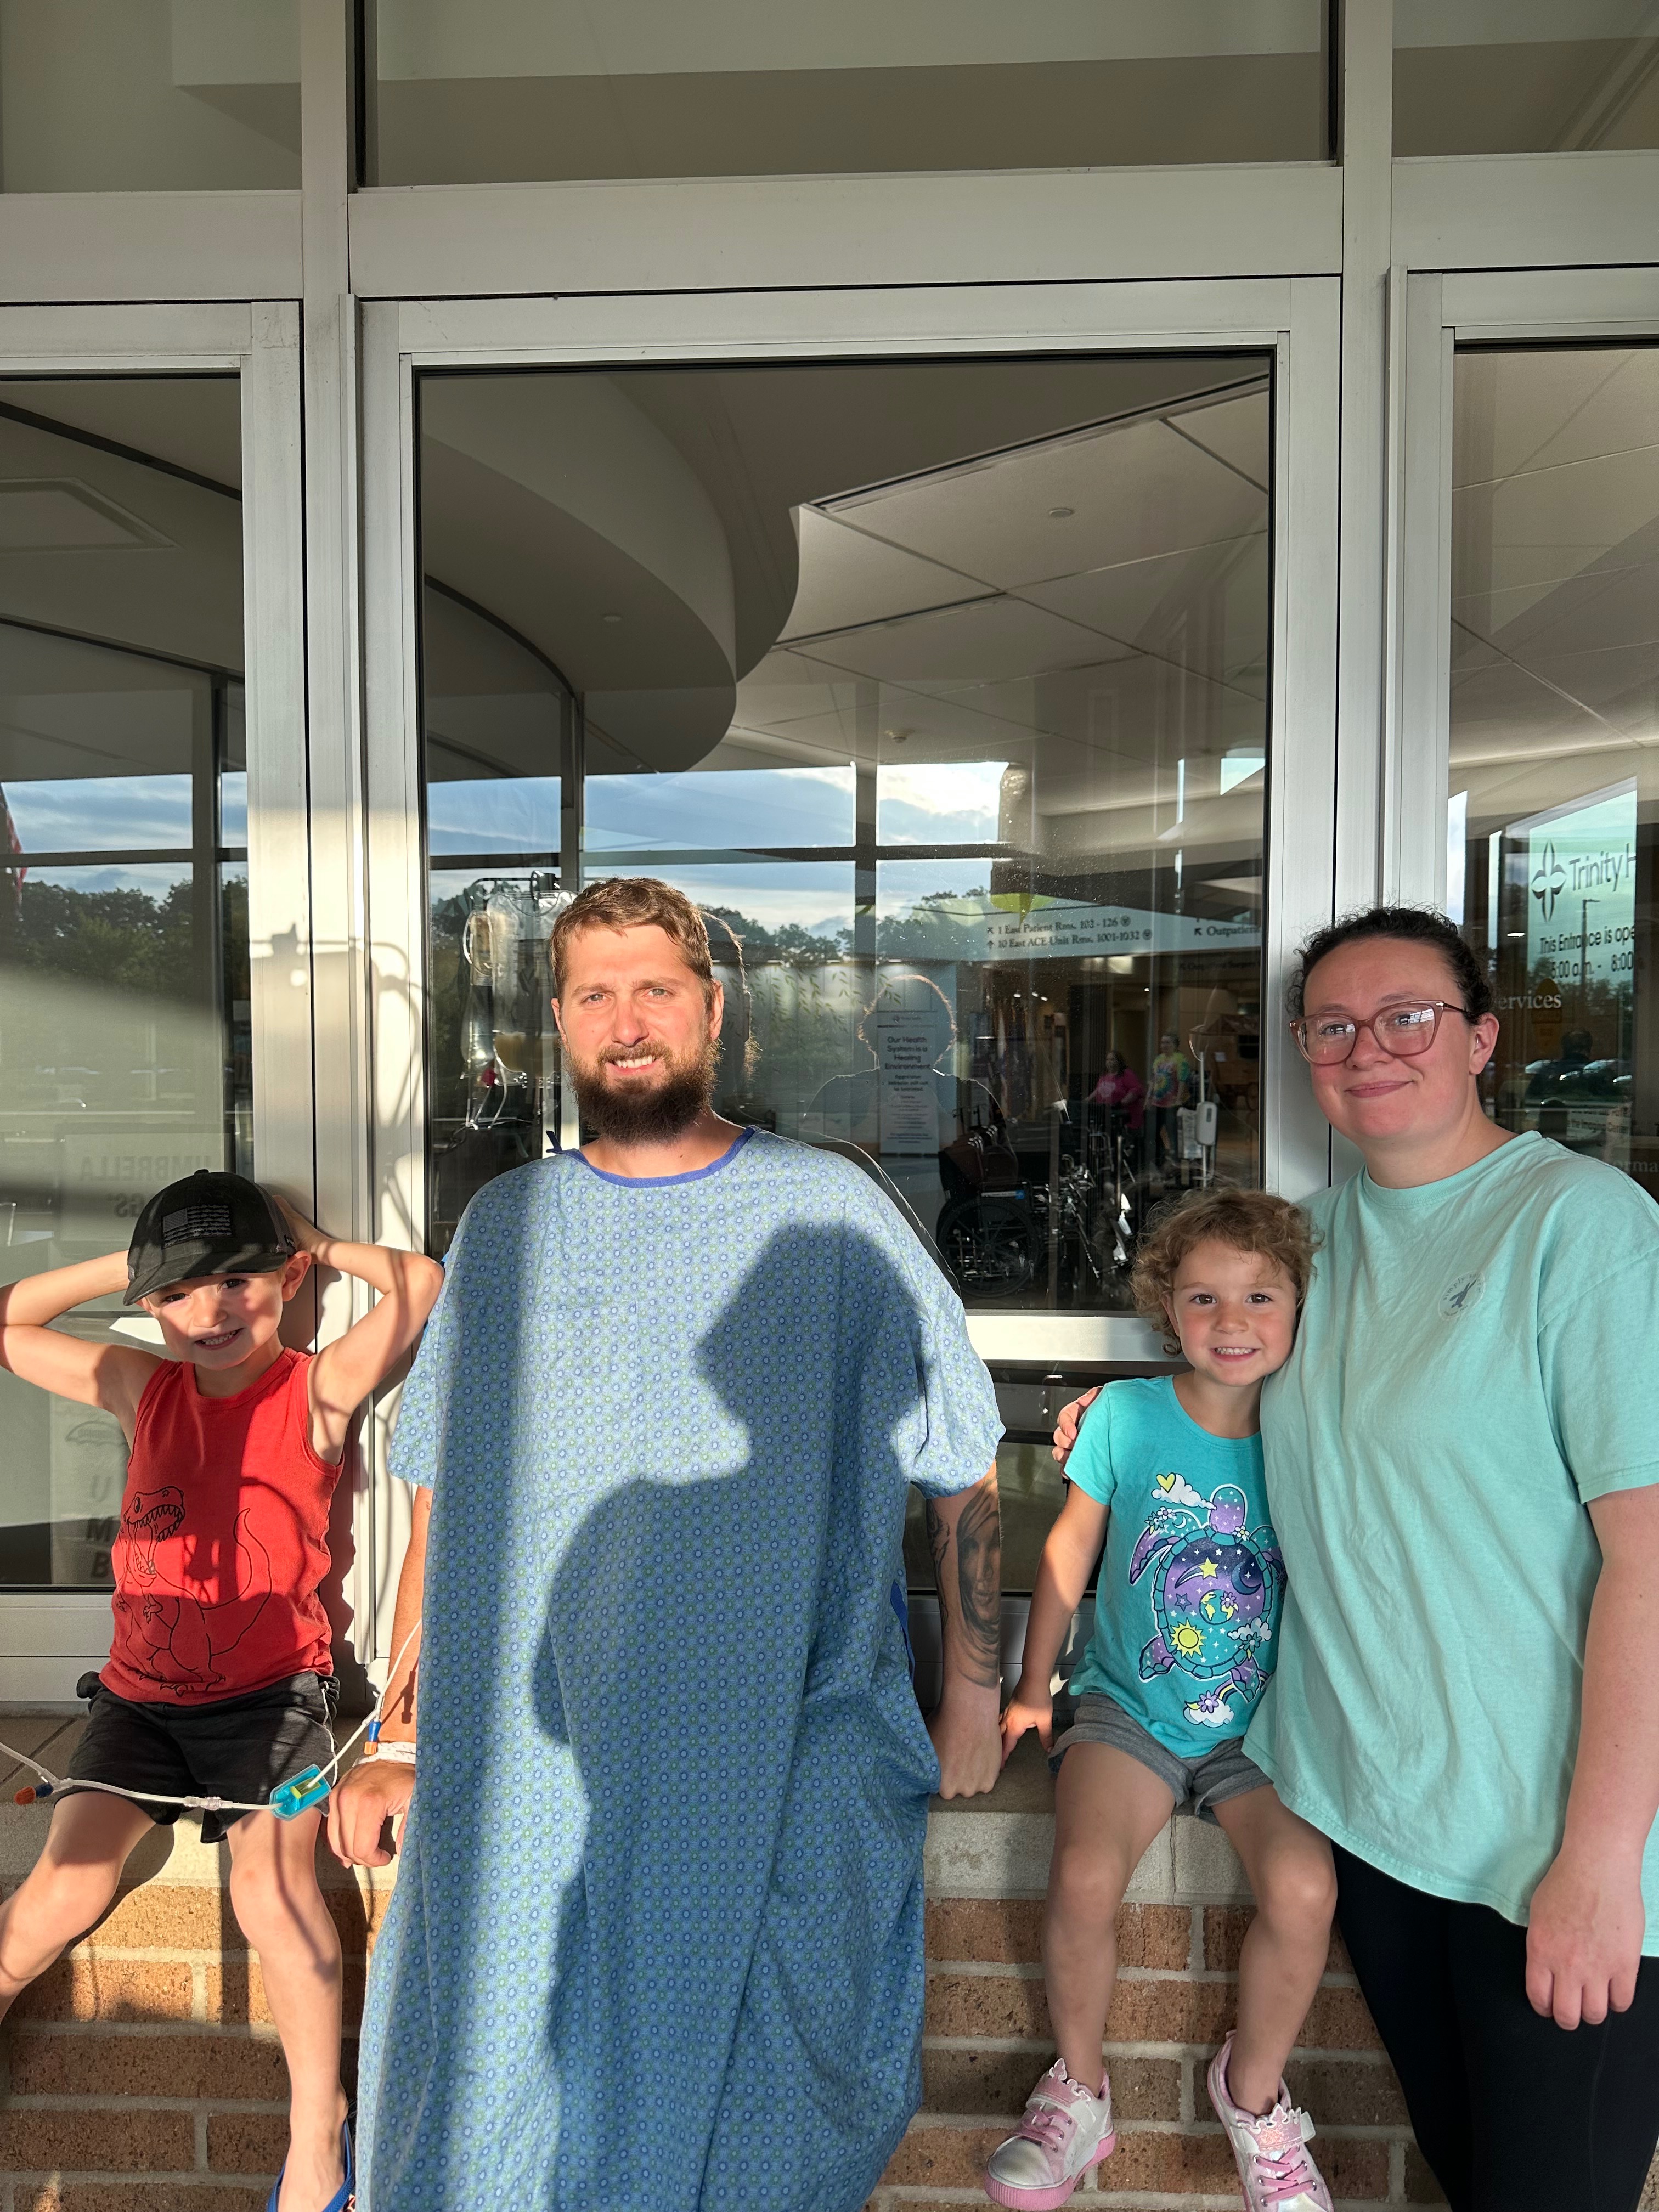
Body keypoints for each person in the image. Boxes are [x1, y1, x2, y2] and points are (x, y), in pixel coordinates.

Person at [335, 874, 1006, 2212]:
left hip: (781, 1741)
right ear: (560, 1023)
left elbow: (963, 1462)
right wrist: (402, 1731)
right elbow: (440, 1494)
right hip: (536, 1759)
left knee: (769, 2107)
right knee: (494, 2100)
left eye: (655, 989)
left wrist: (975, 1698)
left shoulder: (830, 1212)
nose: (626, 1021)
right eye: (595, 994)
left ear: (714, 1011)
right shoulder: (509, 1225)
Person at [1054, 906, 1659, 2212]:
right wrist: (1116, 1423)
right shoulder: (1306, 1249)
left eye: (1408, 1018)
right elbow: (1224, 1395)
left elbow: (1651, 1562)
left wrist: (1606, 1860)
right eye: (1332, 1026)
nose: (1368, 1049)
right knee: (1466, 2172)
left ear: (1481, 1039)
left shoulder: (1583, 1225)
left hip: (1543, 1840)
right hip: (1372, 1817)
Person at [0, 1170, 444, 2212]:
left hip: (269, 1701)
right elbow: (11, 1322)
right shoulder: (138, 1384)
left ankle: (317, 2131)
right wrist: (135, 1265)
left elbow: (420, 1285)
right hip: (137, 1704)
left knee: (269, 1894)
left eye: (237, 1279)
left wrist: (318, 1242)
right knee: (63, 1890)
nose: (210, 1310)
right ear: (150, 1303)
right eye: (179, 1292)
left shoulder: (316, 1388)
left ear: (285, 1280)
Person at [990, 1189, 1335, 2212]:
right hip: (1126, 1710)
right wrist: (1031, 1687)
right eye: (1202, 1297)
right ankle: (1077, 2090)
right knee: (1084, 1871)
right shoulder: (1127, 1417)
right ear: (1166, 1307)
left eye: (1259, 1296)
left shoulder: (1316, 1427)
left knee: (1303, 1891)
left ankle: (1254, 2099)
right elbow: (1070, 1549)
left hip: (1259, 1730)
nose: (1231, 1322)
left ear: (1300, 1303)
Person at [1147, 1030, 1193, 1178]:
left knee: (1173, 1136)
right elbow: (1153, 1080)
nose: (1164, 1045)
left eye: (1167, 1043)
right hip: (1157, 1102)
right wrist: (1148, 1098)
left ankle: (1175, 1165)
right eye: (1162, 1043)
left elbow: (1182, 1081)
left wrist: (1179, 1100)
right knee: (1154, 1134)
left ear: (1175, 1045)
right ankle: (1160, 1161)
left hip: (1172, 1104)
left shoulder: (1180, 1060)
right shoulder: (1159, 1059)